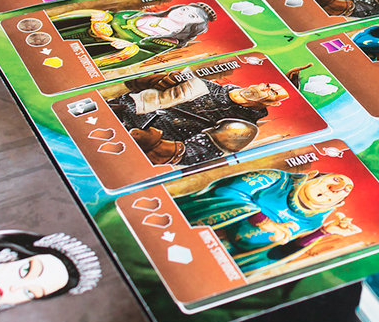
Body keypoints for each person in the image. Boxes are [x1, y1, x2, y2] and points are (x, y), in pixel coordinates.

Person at [175, 169, 360, 275]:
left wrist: (324, 232)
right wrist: (263, 221)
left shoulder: (312, 222)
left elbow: (278, 252)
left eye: (343, 191)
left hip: (223, 255)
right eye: (336, 180)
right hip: (196, 227)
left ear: (338, 204)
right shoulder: (275, 179)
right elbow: (227, 192)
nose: (334, 188)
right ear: (313, 176)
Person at [108, 69, 289, 166]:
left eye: (273, 92)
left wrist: (157, 146)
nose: (265, 89)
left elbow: (198, 153)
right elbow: (135, 82)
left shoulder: (243, 126)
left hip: (134, 144)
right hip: (118, 108)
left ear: (274, 103)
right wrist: (157, 79)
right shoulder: (205, 84)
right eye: (267, 85)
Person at [50, 2, 215, 70]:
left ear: (195, 26)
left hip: (101, 47)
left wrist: (116, 41)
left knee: (129, 50)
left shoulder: (166, 42)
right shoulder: (145, 16)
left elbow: (138, 52)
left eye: (191, 16)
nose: (182, 13)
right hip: (86, 28)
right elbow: (117, 17)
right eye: (184, 9)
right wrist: (104, 19)